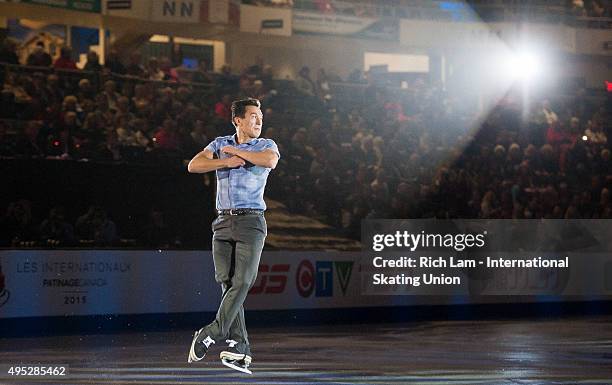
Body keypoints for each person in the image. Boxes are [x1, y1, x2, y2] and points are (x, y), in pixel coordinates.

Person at [186, 98, 279, 374]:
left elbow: (270, 162)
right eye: (253, 116)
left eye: (260, 116)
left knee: (243, 281)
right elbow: (194, 165)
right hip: (222, 222)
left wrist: (242, 157)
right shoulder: (219, 143)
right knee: (227, 284)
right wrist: (226, 161)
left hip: (251, 222)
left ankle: (211, 331)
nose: (259, 120)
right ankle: (240, 349)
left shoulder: (266, 145)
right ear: (237, 120)